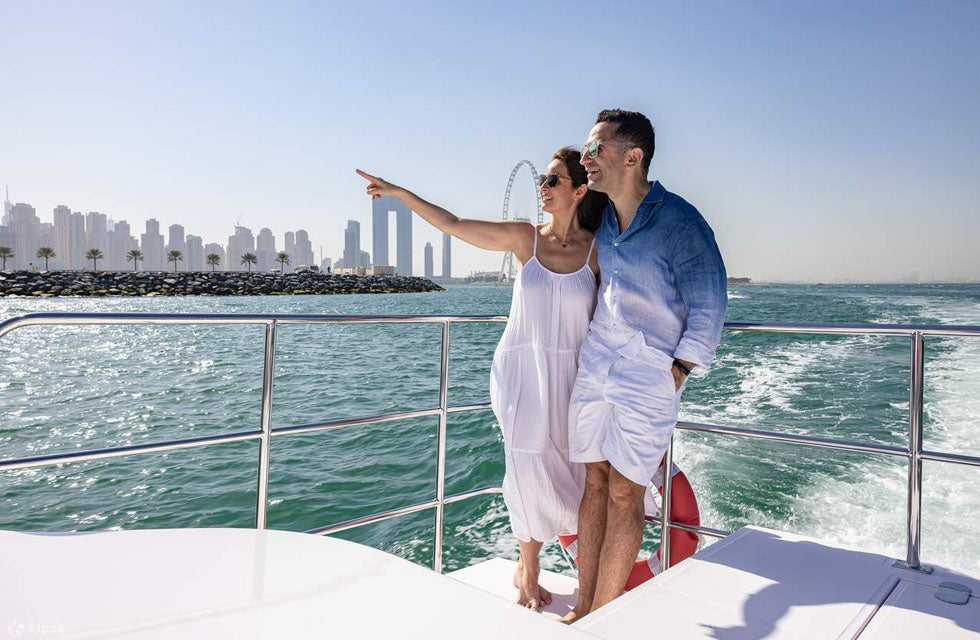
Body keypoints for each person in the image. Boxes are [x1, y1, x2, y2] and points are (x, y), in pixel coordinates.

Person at [356, 148, 605, 611]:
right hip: (523, 376)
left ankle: (581, 569)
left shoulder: (597, 251)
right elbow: (453, 224)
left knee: (573, 473)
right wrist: (399, 193)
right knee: (526, 467)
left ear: (579, 189)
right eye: (543, 179)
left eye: (553, 180)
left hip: (574, 381)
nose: (543, 186)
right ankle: (528, 568)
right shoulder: (524, 238)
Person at [560, 109, 727, 624]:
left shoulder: (680, 221)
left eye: (597, 149)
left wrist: (677, 371)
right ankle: (583, 606)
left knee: (626, 490)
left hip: (648, 372)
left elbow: (710, 302)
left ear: (633, 157)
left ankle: (603, 618)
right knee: (594, 482)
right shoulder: (604, 218)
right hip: (597, 364)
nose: (587, 158)